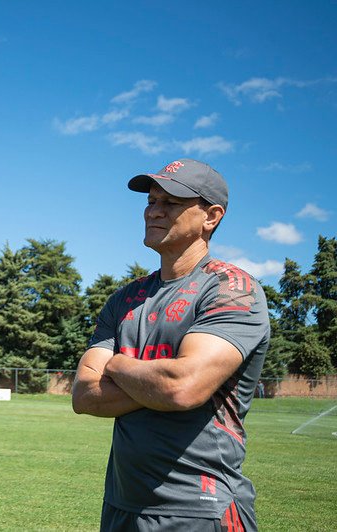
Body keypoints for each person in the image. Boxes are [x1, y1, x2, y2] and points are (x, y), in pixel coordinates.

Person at [72, 159, 270, 531]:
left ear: (210, 217)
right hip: (121, 506)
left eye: (171, 202)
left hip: (201, 510)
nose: (154, 211)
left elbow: (181, 387)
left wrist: (115, 365)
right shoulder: (124, 299)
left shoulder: (230, 290)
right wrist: (158, 381)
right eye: (151, 200)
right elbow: (84, 396)